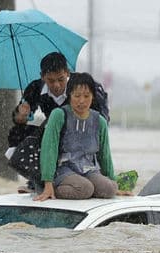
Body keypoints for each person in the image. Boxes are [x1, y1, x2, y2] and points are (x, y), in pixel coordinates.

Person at [7, 52, 109, 193]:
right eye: (51, 80)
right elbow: (18, 119)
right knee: (16, 133)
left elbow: (101, 121)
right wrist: (21, 113)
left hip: (82, 133)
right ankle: (37, 177)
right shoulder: (35, 88)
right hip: (53, 132)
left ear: (67, 73)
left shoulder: (82, 88)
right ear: (42, 76)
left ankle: (87, 174)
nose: (56, 85)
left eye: (61, 79)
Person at [33, 72, 120, 201]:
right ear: (69, 95)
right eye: (77, 96)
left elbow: (105, 154)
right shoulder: (59, 115)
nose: (81, 101)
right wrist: (48, 183)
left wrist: (113, 180)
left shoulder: (99, 121)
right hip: (63, 170)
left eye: (86, 96)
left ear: (93, 97)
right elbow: (49, 149)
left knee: (110, 189)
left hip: (89, 169)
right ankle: (45, 188)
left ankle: (87, 185)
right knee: (85, 189)